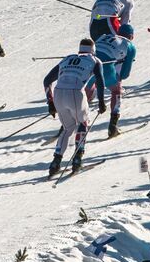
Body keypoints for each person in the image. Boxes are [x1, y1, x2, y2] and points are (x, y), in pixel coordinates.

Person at [43, 39, 105, 177]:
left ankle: (55, 162)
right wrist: (101, 101)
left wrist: (51, 103)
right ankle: (77, 159)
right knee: (83, 123)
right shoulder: (95, 60)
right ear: (93, 49)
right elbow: (100, 81)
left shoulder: (67, 59)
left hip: (58, 93)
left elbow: (47, 81)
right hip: (76, 92)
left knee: (68, 128)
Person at [94, 24, 137, 137]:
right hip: (106, 68)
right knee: (116, 90)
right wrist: (118, 79)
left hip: (90, 64)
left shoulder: (103, 36)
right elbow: (125, 74)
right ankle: (113, 125)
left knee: (86, 92)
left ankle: (67, 125)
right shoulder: (130, 46)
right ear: (131, 36)